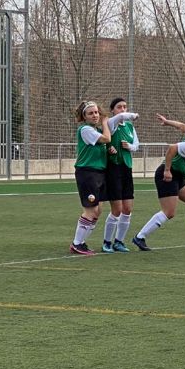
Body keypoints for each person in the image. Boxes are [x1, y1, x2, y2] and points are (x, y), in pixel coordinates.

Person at [132, 111, 185, 251]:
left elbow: (182, 126)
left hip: (178, 176)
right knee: (169, 212)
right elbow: (172, 148)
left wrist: (167, 122)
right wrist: (167, 170)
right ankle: (140, 237)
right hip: (167, 175)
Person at [69, 100, 112, 256]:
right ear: (84, 117)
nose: (95, 115)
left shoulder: (95, 129)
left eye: (96, 112)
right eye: (91, 113)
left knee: (98, 210)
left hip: (99, 172)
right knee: (90, 209)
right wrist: (106, 123)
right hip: (87, 172)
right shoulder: (85, 129)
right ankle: (76, 243)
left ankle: (82, 242)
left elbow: (105, 144)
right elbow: (106, 139)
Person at [101, 98, 141, 253]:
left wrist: (129, 146)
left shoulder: (130, 126)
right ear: (113, 110)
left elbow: (136, 145)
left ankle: (119, 241)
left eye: (125, 107)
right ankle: (107, 242)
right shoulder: (111, 124)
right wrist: (133, 114)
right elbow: (120, 118)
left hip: (127, 168)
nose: (123, 109)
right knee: (116, 209)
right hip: (114, 169)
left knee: (127, 208)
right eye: (119, 107)